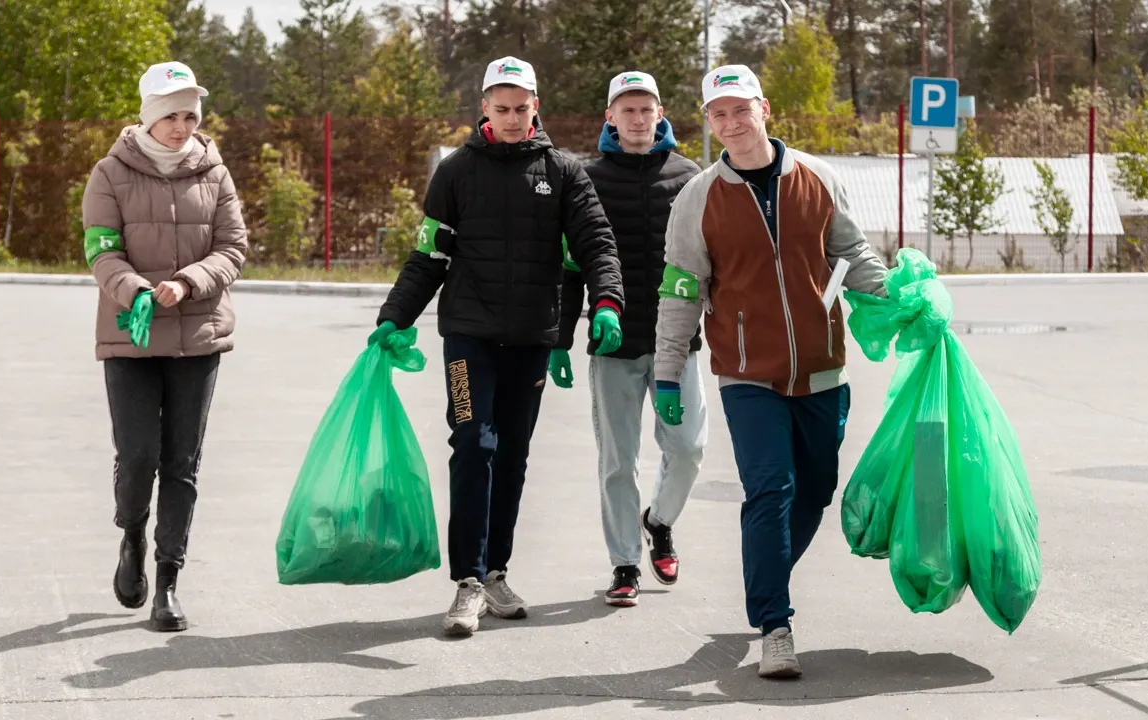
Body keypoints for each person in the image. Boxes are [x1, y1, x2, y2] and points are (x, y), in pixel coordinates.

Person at [371, 56, 625, 636]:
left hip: (531, 338)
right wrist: (396, 315)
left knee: (511, 453)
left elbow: (597, 242)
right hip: (467, 337)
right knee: (473, 441)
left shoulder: (562, 171)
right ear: (484, 108)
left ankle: (496, 571)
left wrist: (607, 301)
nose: (512, 119)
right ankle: (467, 582)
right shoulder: (456, 171)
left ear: (536, 106)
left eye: (521, 108)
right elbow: (429, 254)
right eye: (501, 108)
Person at [652, 64, 888, 678]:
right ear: (708, 121)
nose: (730, 123)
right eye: (718, 114)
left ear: (763, 108)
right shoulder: (698, 198)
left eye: (740, 109)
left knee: (814, 490)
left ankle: (767, 576)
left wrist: (895, 296)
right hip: (747, 372)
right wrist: (668, 371)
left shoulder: (818, 176)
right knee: (771, 488)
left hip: (821, 368)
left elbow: (850, 250)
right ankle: (774, 623)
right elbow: (681, 291)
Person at [81, 61, 247, 633]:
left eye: (191, 116)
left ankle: (168, 579)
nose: (182, 127)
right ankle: (132, 534)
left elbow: (232, 247)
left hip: (197, 337)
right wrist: (140, 291)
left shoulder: (215, 172)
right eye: (171, 116)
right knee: (137, 459)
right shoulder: (109, 173)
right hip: (132, 335)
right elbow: (101, 251)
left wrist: (188, 282)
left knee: (182, 463)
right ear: (148, 117)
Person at [550, 71, 706, 608]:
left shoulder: (692, 177)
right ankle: (624, 562)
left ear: (661, 114)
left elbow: (715, 265)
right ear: (609, 118)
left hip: (678, 344)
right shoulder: (585, 179)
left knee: (688, 449)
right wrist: (560, 335)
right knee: (618, 461)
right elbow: (570, 266)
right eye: (628, 111)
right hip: (613, 345)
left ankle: (658, 520)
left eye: (647, 110)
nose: (638, 120)